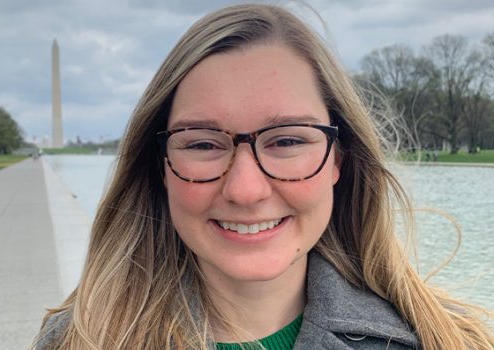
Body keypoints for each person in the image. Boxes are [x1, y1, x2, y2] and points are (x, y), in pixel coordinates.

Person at [34, 4, 493, 350]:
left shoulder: (457, 338)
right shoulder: (75, 339)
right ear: (159, 168)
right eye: (202, 144)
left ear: (339, 159)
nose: (246, 190)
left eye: (288, 141)